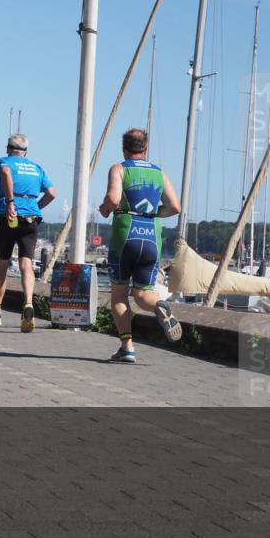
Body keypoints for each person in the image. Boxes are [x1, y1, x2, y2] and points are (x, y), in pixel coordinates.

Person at [98, 128, 182, 363]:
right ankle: (159, 306)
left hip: (126, 235)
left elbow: (114, 200)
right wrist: (155, 213)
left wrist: (105, 209)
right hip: (152, 236)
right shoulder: (159, 173)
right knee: (144, 293)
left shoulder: (119, 168)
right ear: (146, 149)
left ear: (124, 148)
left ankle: (127, 347)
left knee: (119, 295)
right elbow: (175, 207)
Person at [0, 134, 56, 332]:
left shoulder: (4, 161)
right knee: (26, 263)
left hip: (9, 218)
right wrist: (37, 207)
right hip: (31, 219)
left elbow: (6, 173)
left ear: (9, 148)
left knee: (2, 264)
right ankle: (28, 303)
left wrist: (10, 202)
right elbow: (52, 193)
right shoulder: (36, 167)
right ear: (25, 151)